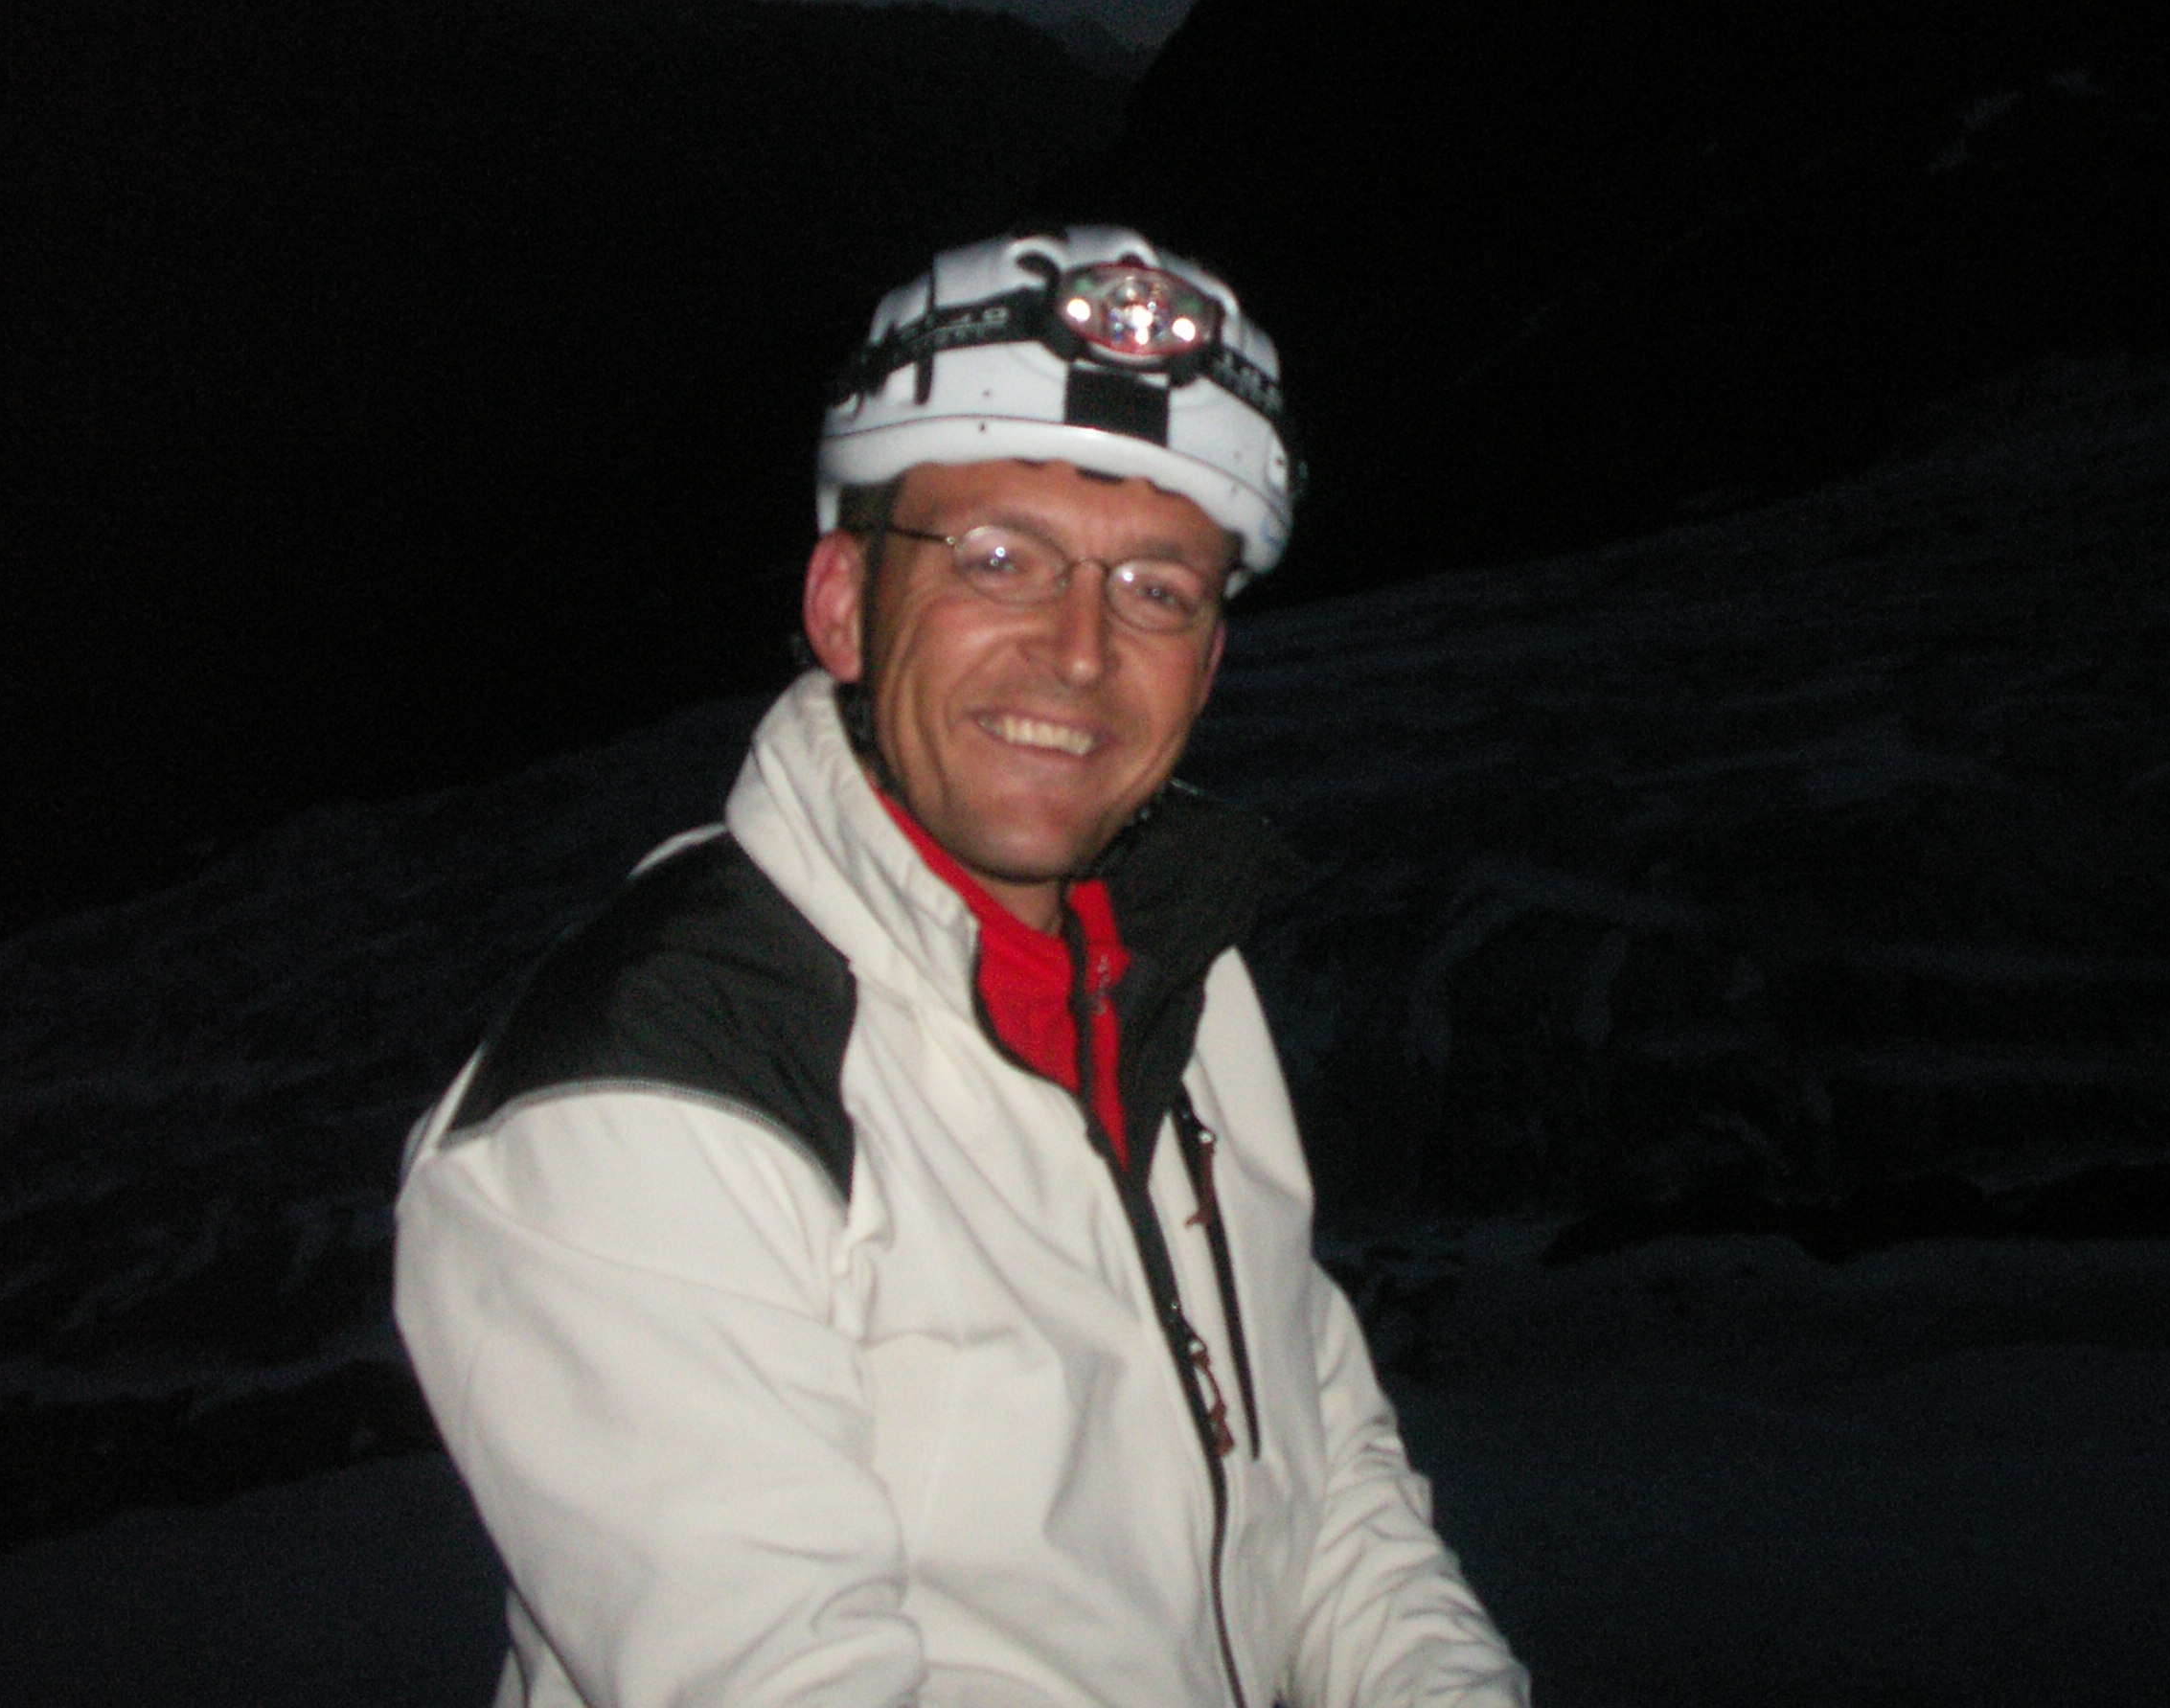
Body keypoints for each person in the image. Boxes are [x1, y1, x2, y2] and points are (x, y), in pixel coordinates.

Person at [394, 227, 1528, 1708]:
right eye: (999, 558)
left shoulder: (1172, 982)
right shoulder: (653, 1084)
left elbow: (1321, 1475)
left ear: (1207, 664)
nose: (1080, 651)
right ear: (842, 604)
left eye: (1158, 589)